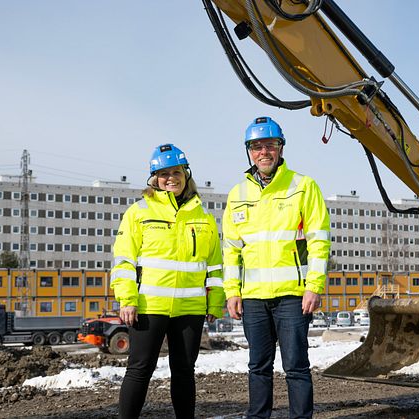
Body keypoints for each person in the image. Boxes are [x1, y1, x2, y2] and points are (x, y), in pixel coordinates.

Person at [223, 116, 331, 418]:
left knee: (296, 366)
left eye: (270, 145)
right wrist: (232, 292)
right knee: (258, 366)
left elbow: (319, 241)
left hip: (293, 296)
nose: (263, 152)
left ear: (280, 148)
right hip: (254, 298)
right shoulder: (237, 194)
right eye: (256, 147)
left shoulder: (303, 186)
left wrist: (314, 286)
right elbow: (231, 250)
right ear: (249, 152)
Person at [110, 143, 225, 419]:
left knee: (184, 371)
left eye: (176, 171)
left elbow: (215, 266)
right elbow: (124, 261)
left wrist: (215, 302)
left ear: (186, 174)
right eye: (163, 173)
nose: (170, 177)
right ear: (154, 179)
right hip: (150, 306)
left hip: (191, 309)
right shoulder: (139, 212)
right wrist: (127, 300)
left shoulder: (204, 217)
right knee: (140, 369)